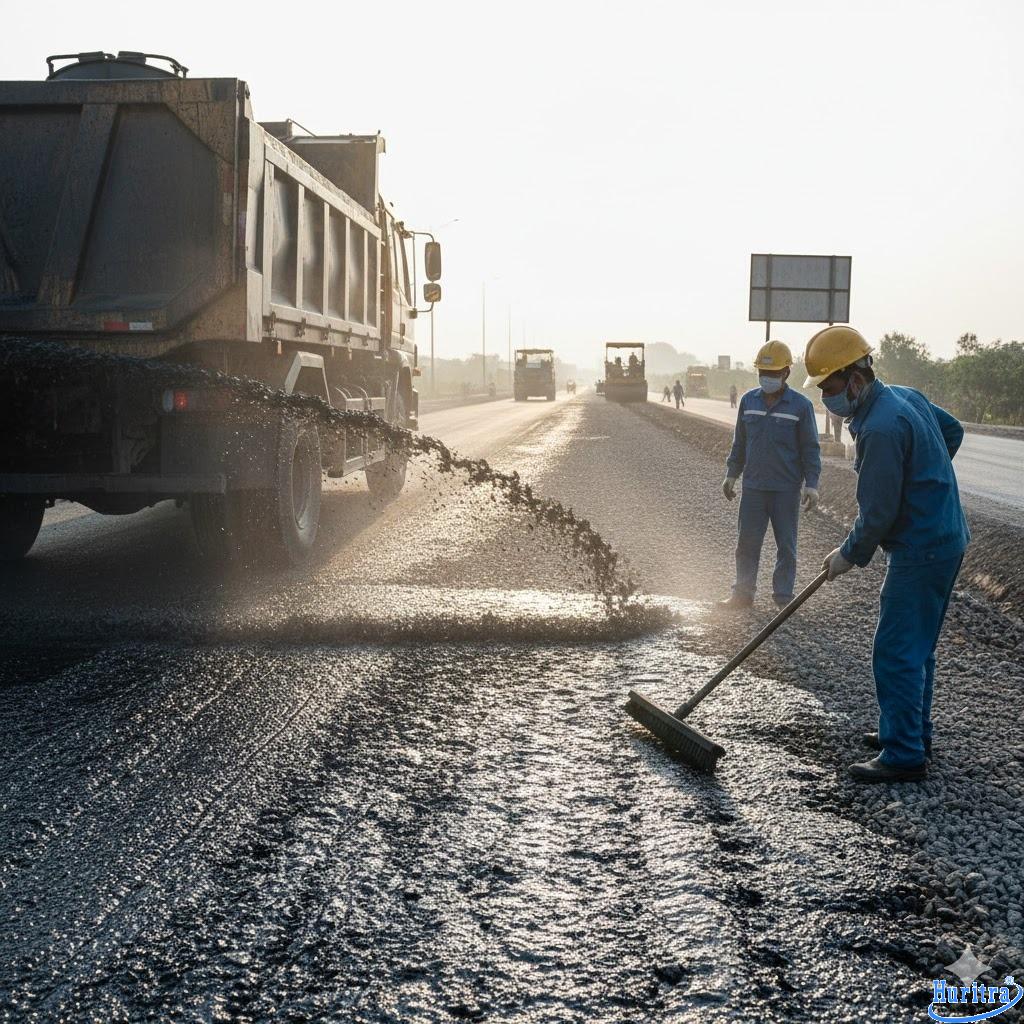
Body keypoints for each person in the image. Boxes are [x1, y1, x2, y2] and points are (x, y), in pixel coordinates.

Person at [806, 326, 969, 784]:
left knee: (895, 649)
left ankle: (902, 754)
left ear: (855, 378)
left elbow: (876, 514)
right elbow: (951, 432)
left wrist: (846, 554)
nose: (826, 398)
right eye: (821, 390)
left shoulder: (879, 428)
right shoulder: (905, 396)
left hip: (924, 547)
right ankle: (912, 732)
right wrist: (926, 477)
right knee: (916, 646)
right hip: (945, 536)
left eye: (830, 387)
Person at [720, 340, 821, 610]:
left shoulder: (800, 406)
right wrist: (731, 474)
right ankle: (742, 594)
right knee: (746, 545)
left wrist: (812, 485)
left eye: (773, 374)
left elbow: (810, 449)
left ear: (786, 373)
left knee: (786, 547)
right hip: (753, 488)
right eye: (763, 374)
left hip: (786, 489)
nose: (767, 379)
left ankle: (783, 598)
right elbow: (739, 443)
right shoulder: (748, 401)